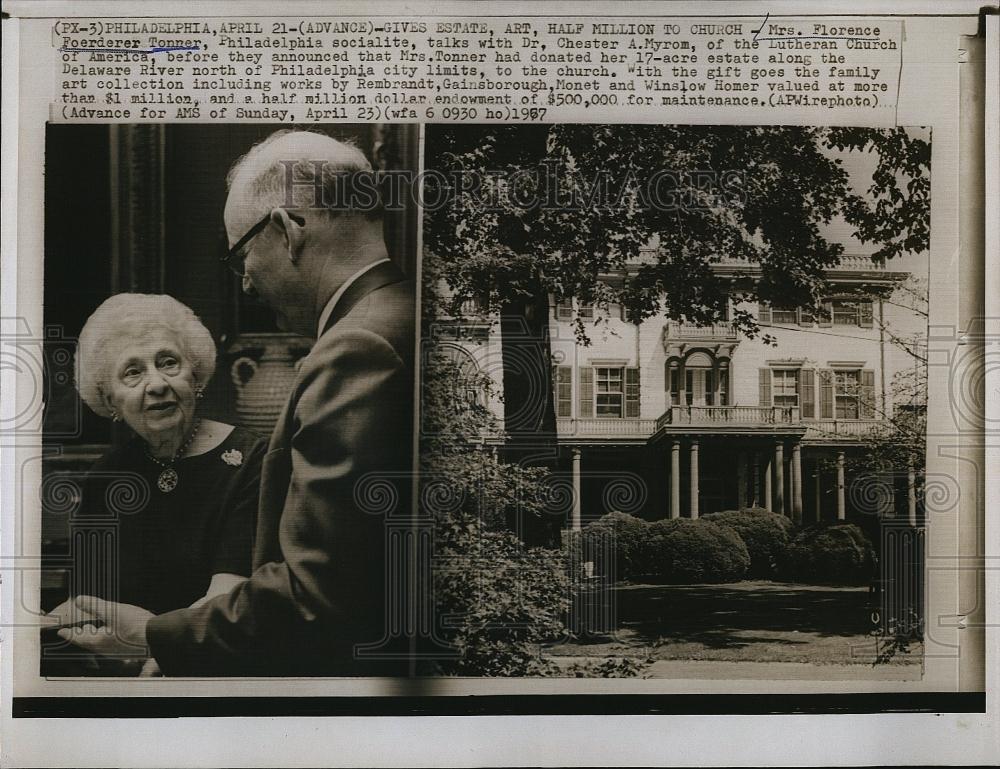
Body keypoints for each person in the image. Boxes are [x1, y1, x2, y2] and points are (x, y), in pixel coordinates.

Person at [62, 130, 416, 676]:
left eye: (241, 254)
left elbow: (318, 595)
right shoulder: (392, 317)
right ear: (108, 397)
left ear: (286, 230)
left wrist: (150, 637)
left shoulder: (357, 344)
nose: (246, 283)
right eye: (131, 372)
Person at [46, 293, 266, 674]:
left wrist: (159, 652)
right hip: (120, 672)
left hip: (211, 666)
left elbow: (228, 598)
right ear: (109, 400)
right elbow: (85, 603)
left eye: (168, 362)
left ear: (195, 376)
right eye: (132, 372)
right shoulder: (106, 476)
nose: (157, 383)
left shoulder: (250, 461)